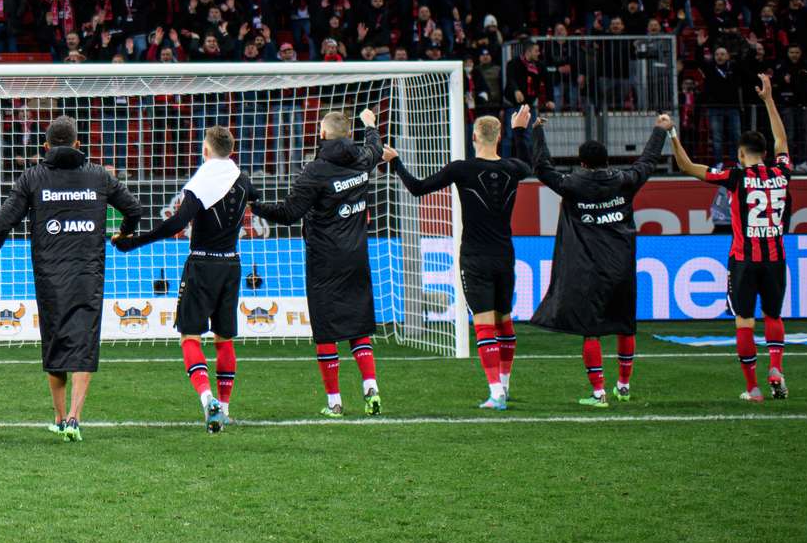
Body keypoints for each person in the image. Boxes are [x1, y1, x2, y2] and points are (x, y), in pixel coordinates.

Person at [0, 116, 144, 441]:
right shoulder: (99, 176)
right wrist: (123, 234)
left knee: (55, 341)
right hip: (87, 272)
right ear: (78, 144)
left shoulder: (33, 176)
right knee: (84, 341)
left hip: (50, 275)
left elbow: (4, 221)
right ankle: (74, 417)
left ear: (46, 146)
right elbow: (135, 209)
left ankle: (57, 416)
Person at [382, 106, 533, 409]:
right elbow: (529, 163)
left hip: (475, 258)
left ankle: (496, 393)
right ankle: (504, 385)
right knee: (504, 322)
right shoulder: (514, 168)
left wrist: (395, 161)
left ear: (474, 136)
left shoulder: (461, 168)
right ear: (499, 135)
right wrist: (519, 130)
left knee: (484, 325)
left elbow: (417, 188)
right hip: (504, 255)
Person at [113, 125, 253, 433]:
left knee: (190, 337)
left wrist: (134, 241)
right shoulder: (243, 180)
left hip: (201, 265)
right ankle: (225, 408)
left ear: (205, 150)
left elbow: (175, 222)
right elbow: (266, 206)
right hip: (231, 265)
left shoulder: (202, 181)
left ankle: (208, 400)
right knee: (224, 339)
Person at [250, 108, 386, 418]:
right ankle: (371, 389)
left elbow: (288, 213)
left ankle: (335, 402)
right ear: (348, 134)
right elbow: (375, 147)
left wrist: (255, 206)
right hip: (357, 256)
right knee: (358, 326)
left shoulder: (315, 170)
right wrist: (371, 125)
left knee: (326, 331)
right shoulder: (364, 159)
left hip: (325, 259)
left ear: (321, 134)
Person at [528, 114, 669, 407]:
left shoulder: (572, 185)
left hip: (587, 270)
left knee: (590, 330)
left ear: (582, 163)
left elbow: (542, 168)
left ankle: (598, 392)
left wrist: (537, 131)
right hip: (622, 267)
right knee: (624, 325)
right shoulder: (625, 181)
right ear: (607, 160)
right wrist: (659, 130)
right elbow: (647, 162)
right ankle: (624, 386)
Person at [668, 75, 793, 401]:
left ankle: (753, 387)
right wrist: (767, 100)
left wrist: (671, 134)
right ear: (764, 152)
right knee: (774, 316)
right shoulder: (781, 171)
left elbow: (687, 167)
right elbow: (782, 140)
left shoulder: (735, 177)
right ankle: (776, 367)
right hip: (775, 258)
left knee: (744, 321)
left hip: (744, 259)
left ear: (741, 153)